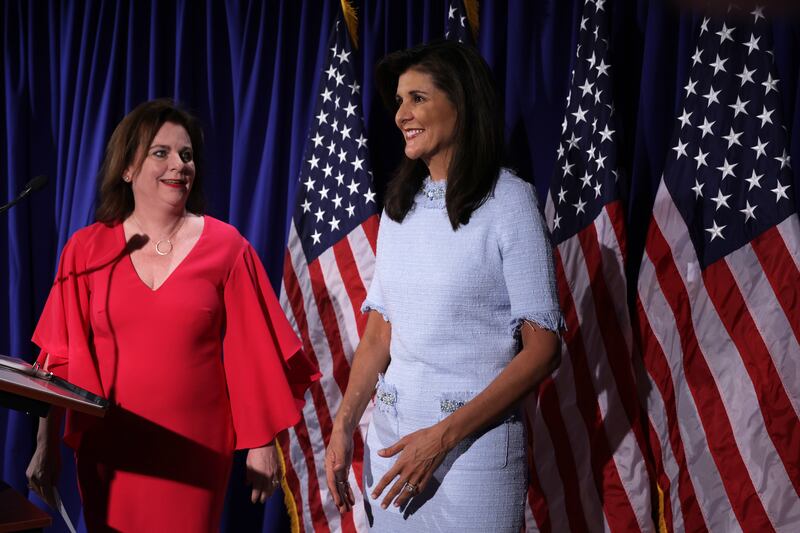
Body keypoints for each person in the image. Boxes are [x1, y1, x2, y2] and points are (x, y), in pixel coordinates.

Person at [25, 99, 319, 531]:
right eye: (161, 153)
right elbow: (57, 357)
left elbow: (254, 353)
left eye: (186, 154)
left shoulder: (227, 247)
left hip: (196, 451)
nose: (179, 165)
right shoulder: (85, 250)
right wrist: (44, 446)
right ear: (128, 168)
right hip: (111, 451)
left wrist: (262, 444)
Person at [324, 40, 564, 531]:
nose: (401, 115)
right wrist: (343, 424)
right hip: (391, 456)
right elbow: (380, 332)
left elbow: (544, 350)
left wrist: (440, 439)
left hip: (472, 461)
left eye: (418, 98)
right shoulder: (399, 208)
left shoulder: (509, 203)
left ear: (462, 101)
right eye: (399, 101)